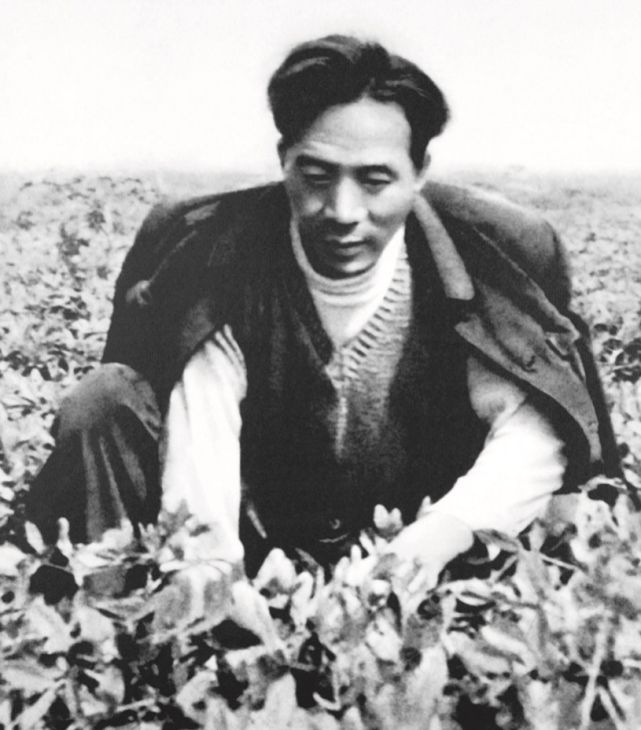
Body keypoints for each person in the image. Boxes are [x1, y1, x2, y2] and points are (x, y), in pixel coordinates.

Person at [25, 35, 619, 592]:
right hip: (264, 529)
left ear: (419, 173)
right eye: (316, 176)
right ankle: (108, 613)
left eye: (375, 181)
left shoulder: (492, 249)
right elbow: (198, 431)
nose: (342, 210)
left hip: (429, 530)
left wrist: (439, 536)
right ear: (283, 158)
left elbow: (533, 433)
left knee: (563, 527)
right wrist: (211, 580)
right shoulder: (214, 249)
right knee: (105, 399)